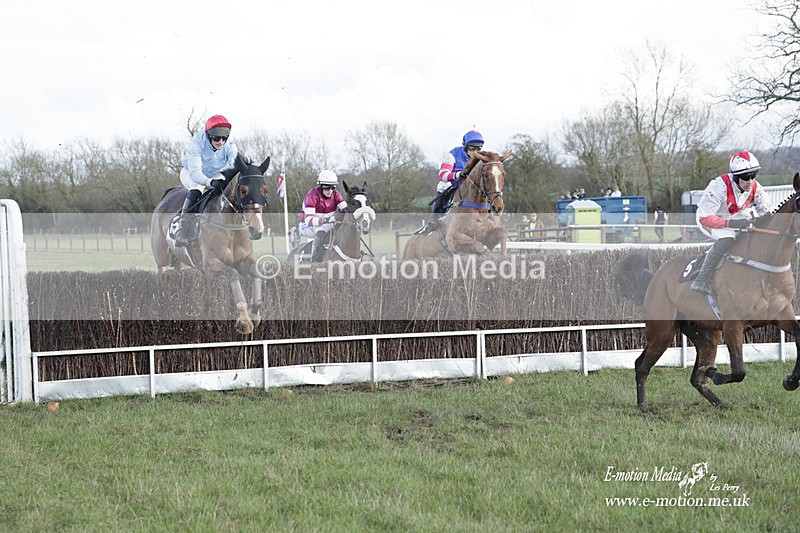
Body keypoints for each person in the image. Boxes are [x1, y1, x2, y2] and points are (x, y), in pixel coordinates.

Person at [690, 151, 772, 295]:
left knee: (751, 235)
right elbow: (705, 218)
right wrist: (732, 224)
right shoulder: (718, 186)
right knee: (727, 237)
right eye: (746, 177)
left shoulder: (756, 188)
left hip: (735, 216)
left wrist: (763, 221)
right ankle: (701, 279)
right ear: (735, 176)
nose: (750, 181)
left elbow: (767, 213)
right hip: (710, 218)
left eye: (754, 176)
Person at [174, 114, 239, 246]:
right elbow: (196, 172)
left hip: (215, 173)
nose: (221, 141)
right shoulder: (197, 143)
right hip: (191, 173)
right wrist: (209, 182)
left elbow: (234, 165)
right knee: (196, 192)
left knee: (227, 191)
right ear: (209, 135)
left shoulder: (230, 145)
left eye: (224, 138)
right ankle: (182, 230)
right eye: (216, 138)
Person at [415, 129, 484, 234]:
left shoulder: (481, 158)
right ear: (465, 147)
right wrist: (458, 174)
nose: (475, 152)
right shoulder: (453, 154)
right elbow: (442, 175)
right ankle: (433, 220)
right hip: (452, 184)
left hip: (469, 188)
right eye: (472, 148)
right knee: (445, 186)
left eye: (478, 148)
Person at [299, 170, 348, 261]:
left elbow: (346, 210)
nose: (330, 191)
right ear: (320, 186)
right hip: (308, 226)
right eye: (326, 188)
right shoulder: (312, 196)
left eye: (333, 187)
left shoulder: (336, 194)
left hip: (327, 223)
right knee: (321, 230)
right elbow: (309, 220)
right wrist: (327, 220)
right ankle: (314, 259)